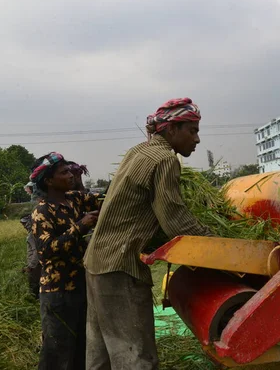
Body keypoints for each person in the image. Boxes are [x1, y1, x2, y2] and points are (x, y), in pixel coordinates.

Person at [84, 98, 214, 370]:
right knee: (136, 356)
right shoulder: (165, 160)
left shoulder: (138, 152)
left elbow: (138, 211)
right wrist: (215, 241)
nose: (197, 140)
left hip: (97, 261)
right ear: (171, 130)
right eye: (192, 131)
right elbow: (175, 219)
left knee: (102, 353)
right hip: (121, 266)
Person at [30, 152, 101, 370]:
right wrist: (81, 226)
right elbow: (47, 250)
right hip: (57, 293)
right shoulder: (42, 211)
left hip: (81, 286)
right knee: (57, 351)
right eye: (64, 172)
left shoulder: (75, 199)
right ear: (49, 181)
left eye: (70, 170)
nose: (70, 175)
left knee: (81, 346)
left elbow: (106, 199)